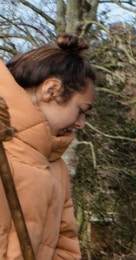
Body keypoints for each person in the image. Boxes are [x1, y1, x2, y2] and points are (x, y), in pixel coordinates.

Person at [0, 34, 97, 260]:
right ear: (51, 90)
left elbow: (66, 246)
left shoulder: (56, 167)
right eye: (80, 110)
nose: (81, 123)